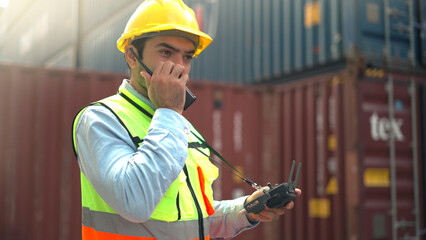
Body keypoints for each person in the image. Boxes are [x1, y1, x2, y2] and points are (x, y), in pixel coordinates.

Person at [72, 0, 301, 239]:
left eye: (188, 57)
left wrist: (246, 210)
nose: (180, 67)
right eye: (166, 52)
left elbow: (192, 220)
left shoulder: (179, 126)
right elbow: (135, 202)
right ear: (131, 56)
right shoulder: (100, 120)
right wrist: (170, 112)